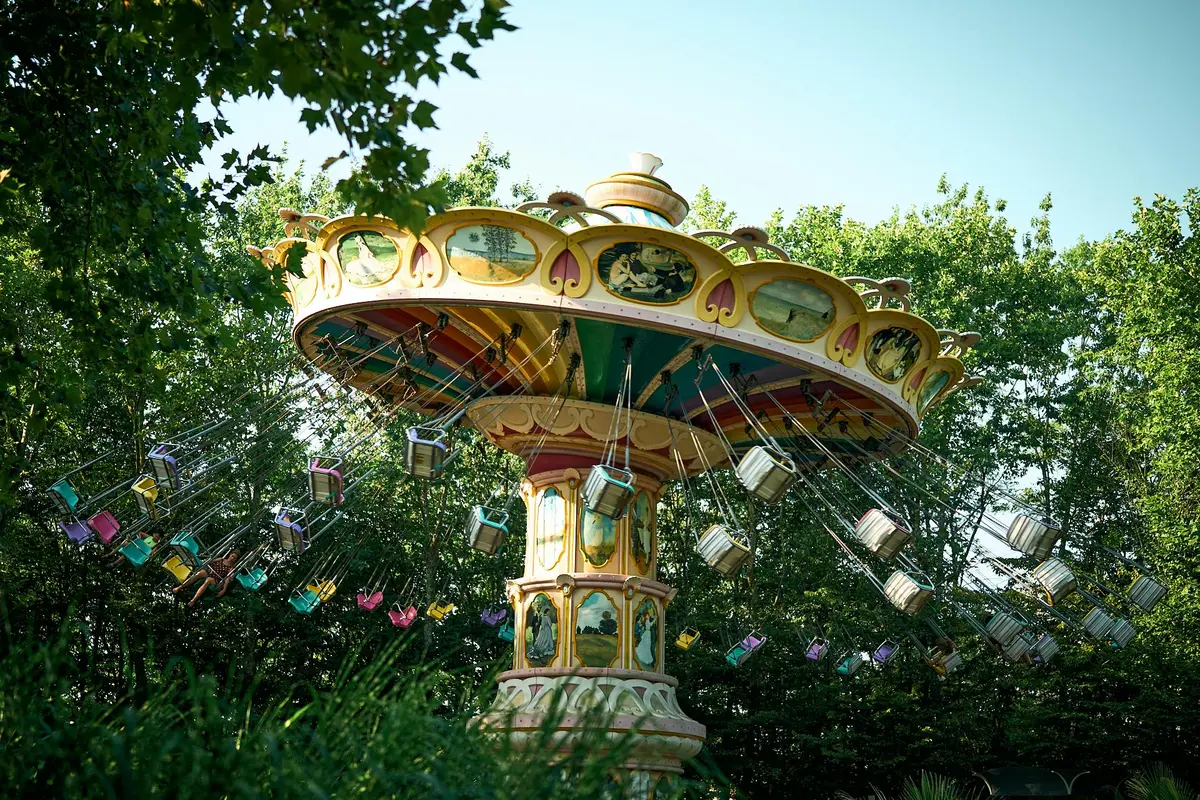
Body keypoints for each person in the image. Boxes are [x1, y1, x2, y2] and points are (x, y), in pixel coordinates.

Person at [173, 550, 240, 608]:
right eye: (232, 556)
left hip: (215, 578)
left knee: (208, 580)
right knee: (199, 573)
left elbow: (227, 580)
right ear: (230, 555)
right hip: (209, 571)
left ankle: (193, 600)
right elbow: (210, 562)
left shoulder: (231, 568)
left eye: (234, 558)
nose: (232, 558)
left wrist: (224, 589)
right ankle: (179, 587)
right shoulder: (221, 559)